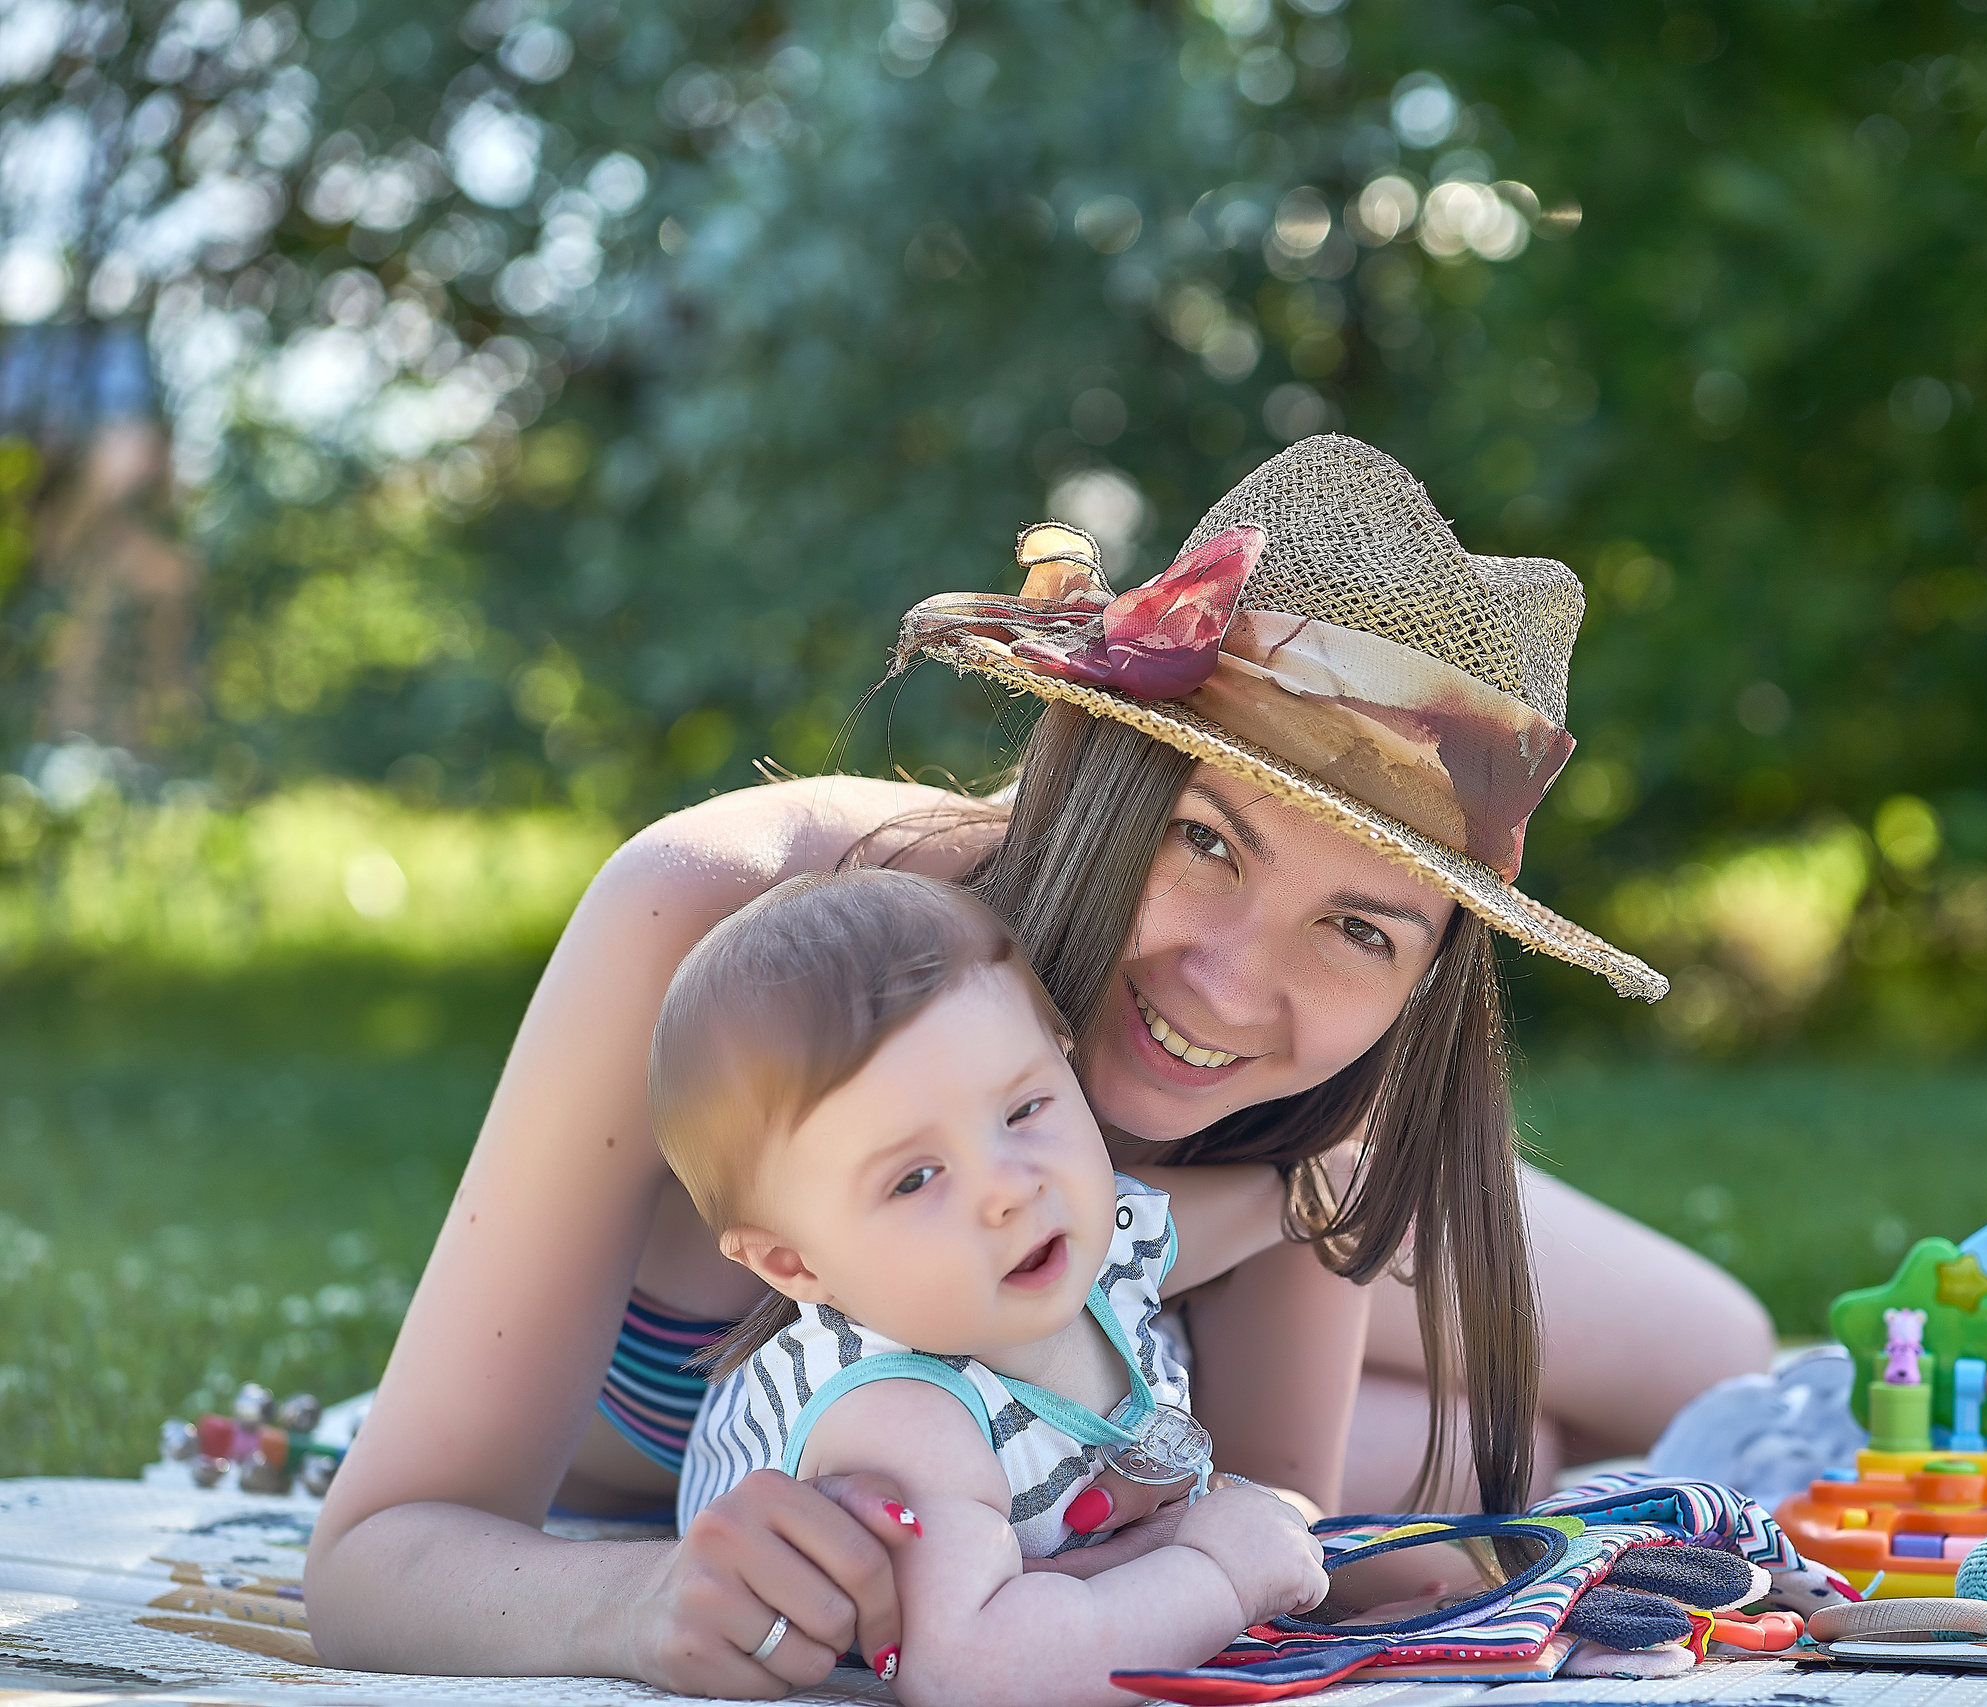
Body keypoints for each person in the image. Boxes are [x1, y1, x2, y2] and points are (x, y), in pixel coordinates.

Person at [305, 436, 1774, 1694]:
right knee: (1465, 1467)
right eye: (1207, 838)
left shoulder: (1310, 1090)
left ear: (1430, 968)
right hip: (767, 1437)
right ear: (1101, 761)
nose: (1234, 986)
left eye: (1360, 926)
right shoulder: (717, 932)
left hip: (1133, 1346)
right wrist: (631, 1603)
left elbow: (1247, 1532)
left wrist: (1279, 1244)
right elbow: (382, 1554)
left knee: (1704, 1357)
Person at [654, 866, 1325, 1702]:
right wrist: (1219, 1573)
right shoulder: (903, 1418)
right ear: (797, 1265)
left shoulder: (1084, 1234)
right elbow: (973, 1668)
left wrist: (1324, 1193)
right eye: (916, 1176)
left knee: (1418, 1434)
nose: (1009, 1187)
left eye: (1023, 1110)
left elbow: (1284, 1206)